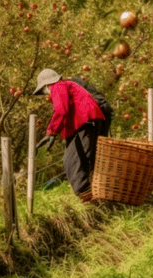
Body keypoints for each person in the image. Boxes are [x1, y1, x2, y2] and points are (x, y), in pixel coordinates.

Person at [33, 69, 106, 203]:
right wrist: (52, 133)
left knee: (72, 161)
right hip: (88, 121)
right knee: (82, 160)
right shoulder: (67, 85)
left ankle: (87, 199)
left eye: (43, 90)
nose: (45, 94)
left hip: (84, 122)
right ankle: (90, 197)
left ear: (46, 85)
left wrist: (52, 132)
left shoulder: (57, 86)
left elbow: (61, 110)